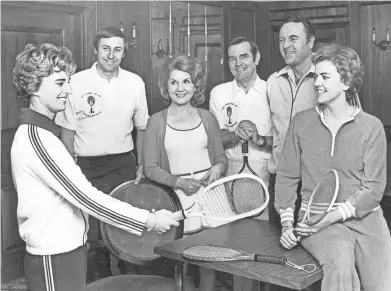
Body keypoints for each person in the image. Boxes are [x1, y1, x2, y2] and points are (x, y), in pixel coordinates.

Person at [10, 43, 178, 291]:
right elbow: (87, 198)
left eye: (68, 82)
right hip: (53, 254)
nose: (68, 90)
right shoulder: (38, 139)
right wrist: (149, 221)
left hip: (68, 249)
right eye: (59, 83)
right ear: (34, 85)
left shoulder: (43, 134)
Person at [275, 44, 391, 291]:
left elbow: (373, 190)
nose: (317, 82)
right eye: (316, 76)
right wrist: (288, 223)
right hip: (314, 219)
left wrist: (333, 216)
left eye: (325, 76)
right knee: (340, 261)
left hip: (366, 219)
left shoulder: (371, 127)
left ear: (347, 83)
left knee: (381, 286)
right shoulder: (301, 122)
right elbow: (287, 176)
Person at [55, 26, 150, 278]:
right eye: (105, 49)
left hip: (124, 165)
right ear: (95, 50)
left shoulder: (135, 83)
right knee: (93, 231)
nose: (111, 55)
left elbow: (142, 128)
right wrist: (70, 168)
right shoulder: (76, 82)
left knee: (127, 225)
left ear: (124, 53)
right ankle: (99, 280)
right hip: (87, 166)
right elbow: (67, 131)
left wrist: (141, 164)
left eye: (117, 49)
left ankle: (131, 278)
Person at [144, 55, 228, 291]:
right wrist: (177, 182)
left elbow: (220, 158)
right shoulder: (156, 122)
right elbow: (150, 167)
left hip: (210, 195)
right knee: (179, 261)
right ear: (166, 86)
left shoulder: (207, 118)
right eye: (174, 82)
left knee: (209, 259)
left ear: (196, 85)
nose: (180, 89)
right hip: (177, 197)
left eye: (186, 82)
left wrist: (217, 169)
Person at [209, 36, 272, 291]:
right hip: (229, 173)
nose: (238, 63)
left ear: (256, 58)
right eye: (232, 58)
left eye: (244, 56)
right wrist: (234, 134)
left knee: (264, 241)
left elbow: (283, 139)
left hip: (266, 175)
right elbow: (214, 141)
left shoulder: (272, 90)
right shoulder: (219, 93)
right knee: (234, 242)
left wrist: (258, 138)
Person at [266, 16, 318, 224]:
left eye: (293, 39)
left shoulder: (327, 80)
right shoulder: (273, 82)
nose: (286, 45)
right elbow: (274, 132)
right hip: (280, 181)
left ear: (310, 42)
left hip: (315, 183)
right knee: (277, 244)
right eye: (281, 40)